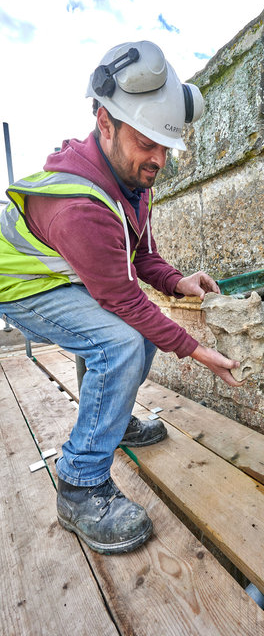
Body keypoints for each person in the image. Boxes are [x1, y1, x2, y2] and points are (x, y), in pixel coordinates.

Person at [0, 41, 242, 555]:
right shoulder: (79, 206)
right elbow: (124, 300)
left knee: (129, 338)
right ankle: (80, 484)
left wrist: (179, 281)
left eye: (166, 146)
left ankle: (111, 420)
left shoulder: (130, 179)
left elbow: (140, 258)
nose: (159, 159)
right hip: (19, 285)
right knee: (122, 341)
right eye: (146, 142)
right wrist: (198, 351)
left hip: (65, 274)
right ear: (104, 122)